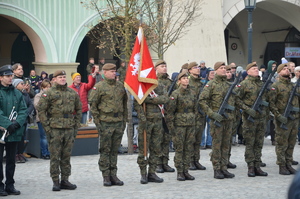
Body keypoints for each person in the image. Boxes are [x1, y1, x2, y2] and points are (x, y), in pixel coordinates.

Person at [37, 70, 82, 191]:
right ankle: (55, 181)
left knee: (66, 156)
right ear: (54, 79)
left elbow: (79, 109)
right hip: (55, 129)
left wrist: (76, 126)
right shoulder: (49, 93)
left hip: (69, 128)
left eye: (64, 76)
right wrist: (47, 127)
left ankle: (65, 180)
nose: (62, 78)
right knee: (55, 156)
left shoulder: (72, 93)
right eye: (60, 77)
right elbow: (41, 111)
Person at [90, 63, 127, 187]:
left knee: (114, 150)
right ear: (104, 73)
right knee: (105, 149)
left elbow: (124, 104)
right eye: (111, 71)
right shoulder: (99, 87)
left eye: (114, 71)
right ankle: (106, 175)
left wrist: (124, 121)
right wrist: (98, 122)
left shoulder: (120, 86)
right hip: (106, 122)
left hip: (118, 122)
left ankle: (113, 174)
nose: (113, 73)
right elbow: (93, 106)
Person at [199, 62, 236, 179]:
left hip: (228, 119)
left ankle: (224, 167)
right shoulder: (211, 84)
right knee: (217, 145)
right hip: (217, 120)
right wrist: (211, 114)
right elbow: (202, 100)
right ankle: (217, 169)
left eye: (225, 68)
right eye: (221, 68)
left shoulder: (228, 84)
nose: (224, 70)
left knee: (226, 144)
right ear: (215, 70)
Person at [236, 62, 268, 177]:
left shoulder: (261, 84)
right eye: (253, 68)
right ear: (248, 71)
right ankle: (250, 166)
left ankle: (257, 166)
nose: (256, 70)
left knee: (259, 143)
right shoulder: (244, 84)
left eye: (257, 68)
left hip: (261, 117)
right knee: (250, 143)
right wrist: (247, 109)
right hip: (250, 119)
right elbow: (237, 99)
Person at [0, 65, 27, 195]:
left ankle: (10, 184)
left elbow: (23, 110)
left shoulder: (17, 93)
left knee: (11, 160)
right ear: (1, 77)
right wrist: (7, 123)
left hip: (14, 131)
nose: (10, 78)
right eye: (7, 76)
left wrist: (16, 124)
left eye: (11, 75)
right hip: (1, 131)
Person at [134, 82, 168, 184]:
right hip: (146, 122)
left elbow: (165, 99)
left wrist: (148, 100)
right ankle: (143, 173)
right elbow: (137, 103)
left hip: (158, 121)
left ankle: (152, 172)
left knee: (156, 148)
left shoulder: (161, 86)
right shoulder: (142, 87)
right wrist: (142, 118)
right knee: (143, 148)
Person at [269, 63, 299, 175]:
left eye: (288, 68)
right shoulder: (275, 86)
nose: (287, 70)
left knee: (291, 142)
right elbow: (271, 104)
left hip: (294, 118)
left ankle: (288, 163)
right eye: (284, 69)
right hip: (283, 119)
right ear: (279, 72)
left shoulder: (293, 85)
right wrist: (278, 116)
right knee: (282, 143)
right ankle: (282, 165)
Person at [167, 70, 196, 181]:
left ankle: (186, 170)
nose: (186, 80)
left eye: (187, 78)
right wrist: (171, 127)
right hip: (179, 125)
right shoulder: (175, 94)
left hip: (190, 124)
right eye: (183, 78)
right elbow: (170, 112)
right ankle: (180, 171)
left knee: (188, 148)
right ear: (179, 81)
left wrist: (194, 121)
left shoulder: (192, 93)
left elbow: (195, 109)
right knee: (180, 148)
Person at [154, 60, 175, 173]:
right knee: (158, 139)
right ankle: (158, 163)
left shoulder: (170, 82)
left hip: (168, 114)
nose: (164, 68)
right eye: (162, 66)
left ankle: (165, 162)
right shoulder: (153, 81)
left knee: (166, 139)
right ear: (156, 68)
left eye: (165, 66)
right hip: (157, 114)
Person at [187, 62, 206, 171]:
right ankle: (190, 161)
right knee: (191, 139)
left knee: (198, 139)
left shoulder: (201, 83)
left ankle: (196, 160)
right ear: (190, 70)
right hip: (191, 115)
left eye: (198, 67)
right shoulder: (187, 82)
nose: (197, 69)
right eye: (195, 68)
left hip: (200, 115)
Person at [12, 79, 35, 164]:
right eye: (21, 84)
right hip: (15, 119)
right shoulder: (13, 94)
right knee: (15, 138)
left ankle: (20, 153)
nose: (23, 85)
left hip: (24, 119)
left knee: (22, 138)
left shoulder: (25, 94)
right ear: (16, 85)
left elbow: (30, 104)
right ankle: (14, 154)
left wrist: (26, 112)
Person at [34, 79, 51, 159]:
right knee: (43, 137)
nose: (48, 89)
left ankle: (50, 152)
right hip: (41, 119)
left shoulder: (51, 96)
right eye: (46, 87)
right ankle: (45, 153)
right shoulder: (38, 96)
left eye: (49, 87)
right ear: (42, 87)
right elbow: (37, 106)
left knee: (50, 137)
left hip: (50, 119)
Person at [200, 70, 214, 149]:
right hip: (204, 107)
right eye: (211, 73)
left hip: (211, 108)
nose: (213, 74)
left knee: (210, 126)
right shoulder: (204, 83)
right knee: (202, 127)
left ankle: (209, 142)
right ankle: (202, 143)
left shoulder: (215, 84)